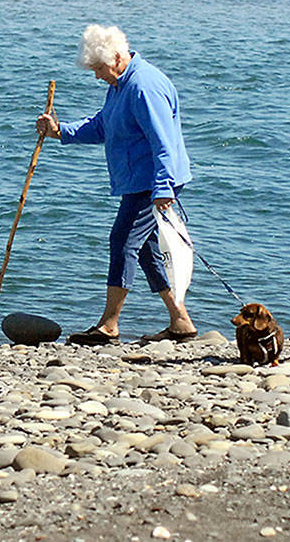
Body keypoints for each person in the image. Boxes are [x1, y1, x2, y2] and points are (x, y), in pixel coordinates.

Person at [36, 24, 197, 345]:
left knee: (122, 242)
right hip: (141, 180)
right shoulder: (121, 84)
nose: (97, 76)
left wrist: (163, 188)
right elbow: (103, 124)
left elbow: (163, 141)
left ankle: (109, 325)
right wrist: (60, 131)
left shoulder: (143, 87)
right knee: (149, 251)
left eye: (98, 68)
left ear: (118, 57)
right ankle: (180, 321)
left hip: (151, 183)